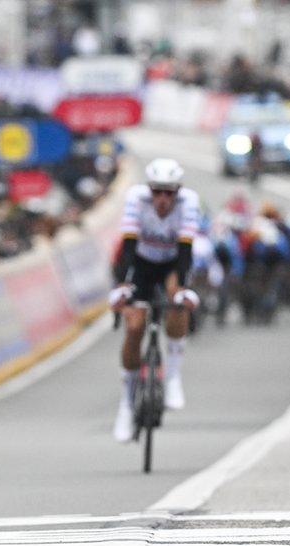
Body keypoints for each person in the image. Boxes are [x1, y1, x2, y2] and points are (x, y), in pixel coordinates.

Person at [109, 158, 199, 443]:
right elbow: (128, 246)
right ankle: (126, 402)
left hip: (172, 264)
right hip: (142, 263)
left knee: (177, 300)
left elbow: (185, 251)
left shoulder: (189, 203)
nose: (162, 199)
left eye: (169, 192)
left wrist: (183, 289)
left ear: (178, 192)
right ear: (148, 190)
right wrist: (123, 286)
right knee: (134, 326)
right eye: (157, 191)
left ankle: (172, 376)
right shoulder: (136, 199)